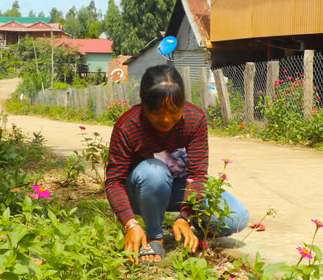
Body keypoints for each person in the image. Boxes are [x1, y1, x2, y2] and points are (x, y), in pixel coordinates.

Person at [105, 64, 249, 264]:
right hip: (141, 192)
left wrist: (185, 216)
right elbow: (114, 181)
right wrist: (129, 223)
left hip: (178, 190)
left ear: (183, 103)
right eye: (156, 111)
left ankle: (188, 228)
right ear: (143, 105)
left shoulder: (195, 119)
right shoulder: (128, 126)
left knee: (237, 217)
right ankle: (155, 236)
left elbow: (198, 174)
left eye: (174, 110)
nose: (166, 119)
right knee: (154, 173)